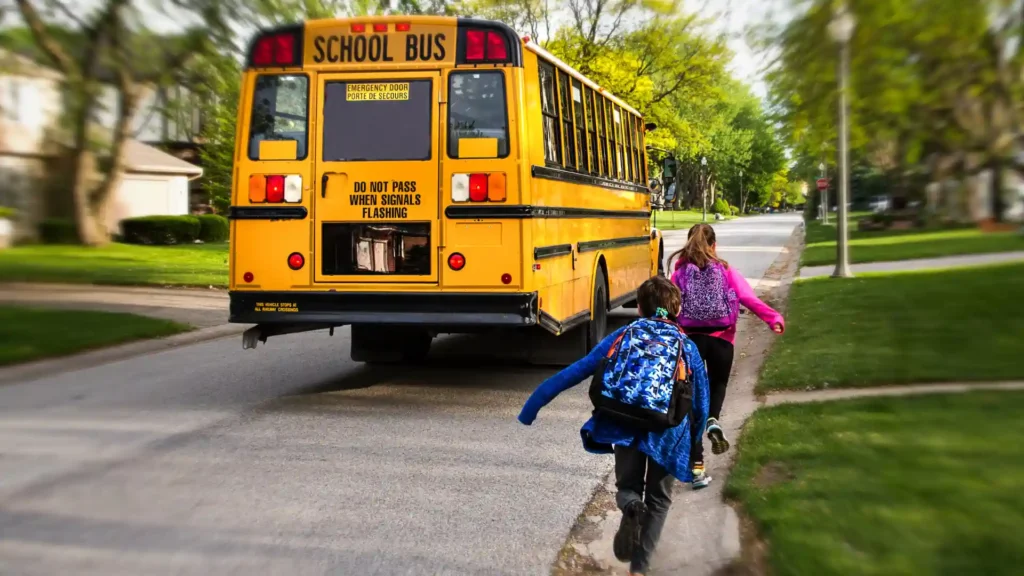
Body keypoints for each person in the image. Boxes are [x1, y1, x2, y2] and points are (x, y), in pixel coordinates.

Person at [518, 276, 710, 576]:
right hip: (667, 434)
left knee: (627, 487)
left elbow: (577, 371)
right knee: (659, 500)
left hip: (624, 423)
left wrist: (533, 406)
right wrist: (696, 447)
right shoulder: (687, 347)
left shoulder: (621, 336)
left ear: (639, 309)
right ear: (677, 308)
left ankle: (631, 506)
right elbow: (701, 404)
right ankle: (639, 569)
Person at [669, 223, 784, 487]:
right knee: (717, 385)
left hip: (691, 343)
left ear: (688, 245)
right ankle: (714, 420)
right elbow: (748, 298)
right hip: (722, 340)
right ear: (714, 246)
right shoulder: (726, 270)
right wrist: (773, 317)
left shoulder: (679, 274)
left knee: (692, 401)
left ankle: (697, 469)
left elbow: (668, 308)